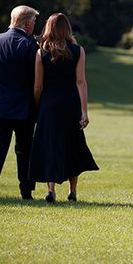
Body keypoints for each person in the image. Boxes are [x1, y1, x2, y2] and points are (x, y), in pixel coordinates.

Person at [29, 13, 99, 203]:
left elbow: (38, 86)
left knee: (50, 145)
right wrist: (84, 111)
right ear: (67, 29)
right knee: (72, 145)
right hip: (70, 104)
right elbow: (80, 81)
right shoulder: (78, 51)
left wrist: (38, 106)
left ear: (49, 28)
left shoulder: (41, 52)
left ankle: (51, 190)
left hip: (49, 106)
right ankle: (72, 191)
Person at [0, 5, 39, 201]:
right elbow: (34, 80)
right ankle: (26, 193)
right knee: (25, 151)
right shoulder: (31, 45)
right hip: (23, 107)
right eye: (34, 22)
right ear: (28, 24)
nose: (35, 25)